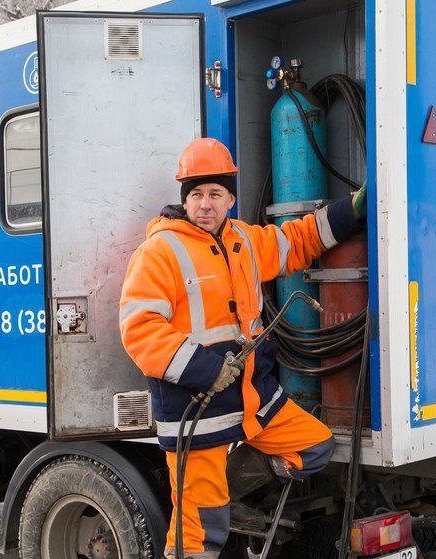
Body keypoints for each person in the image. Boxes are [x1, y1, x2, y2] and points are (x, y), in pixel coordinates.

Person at [119, 137, 366, 559]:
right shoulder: (160, 251)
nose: (205, 204)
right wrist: (204, 368)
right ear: (184, 199)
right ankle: (211, 489)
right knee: (200, 538)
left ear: (230, 198)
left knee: (316, 447)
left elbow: (300, 240)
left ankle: (233, 476)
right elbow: (139, 329)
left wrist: (351, 212)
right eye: (196, 194)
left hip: (253, 400)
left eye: (215, 193)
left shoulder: (245, 241)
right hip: (196, 412)